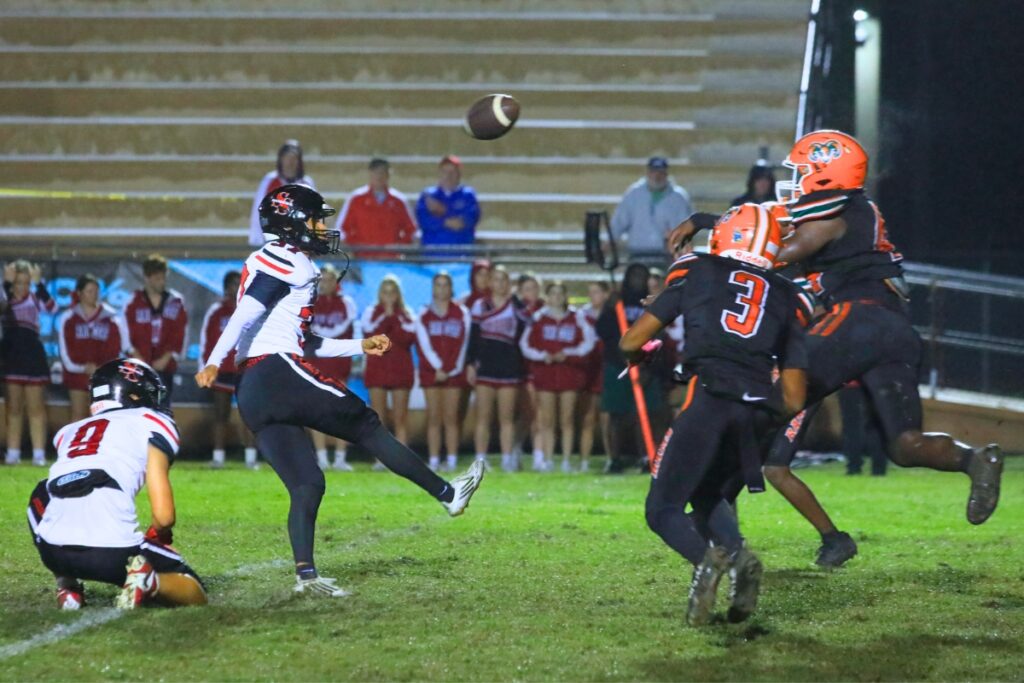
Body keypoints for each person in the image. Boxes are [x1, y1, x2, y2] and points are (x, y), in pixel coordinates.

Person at [671, 131, 1005, 566]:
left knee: (768, 401)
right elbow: (767, 226)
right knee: (904, 445)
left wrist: (709, 263)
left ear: (827, 176)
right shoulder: (851, 208)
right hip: (892, 330)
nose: (795, 181)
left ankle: (715, 509)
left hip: (858, 317)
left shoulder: (838, 210)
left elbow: (775, 248)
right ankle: (974, 460)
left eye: (803, 172)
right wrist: (707, 220)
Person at [196, 184, 484, 596]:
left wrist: (359, 344)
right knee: (365, 423)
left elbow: (305, 341)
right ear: (292, 222)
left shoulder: (268, 260)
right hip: (276, 371)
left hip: (255, 389)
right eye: (316, 219)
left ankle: (306, 577)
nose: (322, 227)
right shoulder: (292, 261)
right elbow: (248, 312)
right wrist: (213, 358)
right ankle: (447, 492)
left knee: (307, 483)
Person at [620, 203, 807, 626]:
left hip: (710, 397)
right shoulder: (786, 295)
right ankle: (740, 558)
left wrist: (649, 354)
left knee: (662, 508)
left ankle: (708, 564)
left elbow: (632, 341)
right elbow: (794, 397)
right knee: (706, 494)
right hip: (757, 410)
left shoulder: (698, 269)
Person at [27, 358, 207, 610]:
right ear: (135, 394)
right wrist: (160, 535)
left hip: (53, 552)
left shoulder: (69, 432)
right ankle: (147, 581)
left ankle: (67, 587)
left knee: (43, 491)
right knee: (195, 591)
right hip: (112, 554)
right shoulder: (153, 422)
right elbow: (164, 517)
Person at [595, 262, 668, 473]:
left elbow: (659, 333)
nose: (637, 279)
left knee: (645, 414)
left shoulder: (652, 302)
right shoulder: (616, 301)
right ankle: (614, 459)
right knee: (616, 414)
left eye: (641, 275)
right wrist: (610, 306)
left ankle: (646, 457)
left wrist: (645, 362)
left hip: (644, 365)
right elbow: (603, 330)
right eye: (633, 275)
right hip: (616, 364)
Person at [519, 282, 596, 473]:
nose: (557, 297)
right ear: (548, 296)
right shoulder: (538, 317)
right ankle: (548, 459)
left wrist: (568, 353)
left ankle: (567, 460)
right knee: (547, 419)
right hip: (545, 374)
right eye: (552, 293)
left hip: (569, 373)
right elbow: (524, 345)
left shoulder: (577, 317)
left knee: (567, 419)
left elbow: (589, 341)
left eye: (560, 293)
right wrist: (542, 355)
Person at [466, 265, 529, 472]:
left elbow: (527, 329)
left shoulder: (516, 306)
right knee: (483, 416)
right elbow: (473, 338)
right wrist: (470, 364)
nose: (499, 284)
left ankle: (507, 458)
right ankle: (481, 459)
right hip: (485, 365)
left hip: (509, 366)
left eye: (504, 280)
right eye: (496, 279)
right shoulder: (480, 305)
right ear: (490, 282)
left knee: (507, 418)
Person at [199, 271, 258, 470]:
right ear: (226, 287)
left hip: (245, 367)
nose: (236, 288)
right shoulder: (217, 311)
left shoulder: (252, 309)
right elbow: (206, 339)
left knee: (248, 413)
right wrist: (206, 366)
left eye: (238, 284)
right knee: (220, 414)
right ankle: (218, 456)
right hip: (223, 368)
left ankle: (251, 458)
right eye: (232, 284)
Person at [57, 274, 134, 423]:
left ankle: (99, 446)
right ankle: (76, 446)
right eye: (89, 291)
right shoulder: (68, 318)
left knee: (101, 416)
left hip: (103, 376)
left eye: (96, 291)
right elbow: (65, 351)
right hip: (77, 375)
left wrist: (103, 369)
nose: (94, 295)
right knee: (77, 414)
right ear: (79, 293)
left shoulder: (112, 318)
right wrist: (80, 367)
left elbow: (118, 348)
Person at [415, 272, 472, 472]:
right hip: (432, 372)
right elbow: (423, 343)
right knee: (434, 417)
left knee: (451, 418)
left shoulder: (462, 312)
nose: (441, 289)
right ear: (432, 288)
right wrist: (437, 367)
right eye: (438, 285)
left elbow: (463, 344)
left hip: (454, 372)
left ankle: (452, 459)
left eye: (445, 285)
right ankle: (433, 459)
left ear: (451, 288)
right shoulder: (423, 313)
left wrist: (449, 369)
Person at [2, 260, 56, 466]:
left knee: (36, 408)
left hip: (32, 355)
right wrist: (5, 285)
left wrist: (39, 284)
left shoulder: (35, 298)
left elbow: (52, 307)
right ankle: (13, 453)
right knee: (13, 407)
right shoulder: (5, 296)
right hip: (11, 353)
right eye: (17, 283)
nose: (21, 287)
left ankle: (39, 454)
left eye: (25, 283)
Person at [309, 264, 358, 471]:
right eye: (322, 280)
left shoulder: (346, 303)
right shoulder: (310, 302)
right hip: (316, 363)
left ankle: (340, 457)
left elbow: (348, 325)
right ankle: (321, 457)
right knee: (316, 411)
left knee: (341, 411)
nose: (326, 284)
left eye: (330, 279)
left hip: (339, 365)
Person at [360, 276, 417, 449]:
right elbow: (370, 333)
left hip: (400, 369)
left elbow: (408, 337)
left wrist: (394, 316)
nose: (389, 296)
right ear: (380, 294)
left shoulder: (407, 314)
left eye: (392, 292)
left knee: (400, 417)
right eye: (385, 292)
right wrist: (386, 316)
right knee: (379, 416)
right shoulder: (371, 312)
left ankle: (403, 456)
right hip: (377, 368)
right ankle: (382, 457)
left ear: (398, 294)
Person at [123, 254, 188, 401]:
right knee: (137, 407)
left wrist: (167, 357)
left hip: (164, 366)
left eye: (164, 278)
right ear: (147, 278)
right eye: (158, 278)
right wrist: (135, 355)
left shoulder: (176, 301)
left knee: (161, 407)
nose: (162, 282)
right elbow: (124, 331)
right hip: (137, 367)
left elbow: (181, 332)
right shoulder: (132, 301)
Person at [610, 157, 693, 257]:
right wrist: (610, 240)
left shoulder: (679, 197)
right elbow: (619, 222)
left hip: (668, 254)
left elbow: (688, 227)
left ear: (666, 174)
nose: (657, 176)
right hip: (638, 251)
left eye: (661, 172)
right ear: (648, 173)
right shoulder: (633, 194)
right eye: (653, 172)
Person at [335, 157, 417, 258]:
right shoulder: (356, 198)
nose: (379, 176)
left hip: (391, 260)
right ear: (370, 173)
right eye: (376, 172)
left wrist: (399, 247)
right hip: (363, 259)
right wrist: (355, 246)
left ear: (388, 175)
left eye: (383, 172)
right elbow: (342, 229)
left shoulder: (399, 200)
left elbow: (412, 230)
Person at [249, 139, 315, 247]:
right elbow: (258, 210)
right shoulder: (269, 181)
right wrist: (256, 240)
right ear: (281, 160)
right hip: (272, 241)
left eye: (294, 158)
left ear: (299, 162)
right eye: (287, 157)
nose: (290, 162)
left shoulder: (307, 183)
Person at [416, 155, 481, 249]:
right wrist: (447, 221)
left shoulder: (468, 195)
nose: (448, 176)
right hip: (432, 255)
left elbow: (464, 222)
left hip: (461, 255)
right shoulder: (428, 195)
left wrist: (443, 211)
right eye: (444, 172)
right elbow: (424, 222)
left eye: (452, 172)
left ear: (459, 174)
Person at [578, 280, 609, 473]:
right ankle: (583, 461)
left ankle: (610, 458)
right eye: (590, 292)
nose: (592, 296)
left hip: (606, 367)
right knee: (588, 417)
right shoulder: (583, 315)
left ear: (605, 294)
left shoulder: (613, 313)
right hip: (589, 369)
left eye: (596, 292)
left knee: (607, 419)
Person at [838, 382, 887, 476]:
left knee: (851, 426)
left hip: (851, 384)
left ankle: (853, 467)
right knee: (877, 424)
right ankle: (879, 468)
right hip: (874, 381)